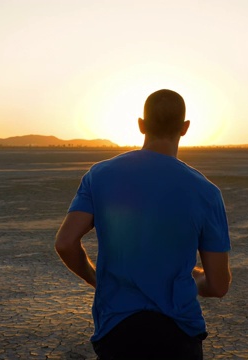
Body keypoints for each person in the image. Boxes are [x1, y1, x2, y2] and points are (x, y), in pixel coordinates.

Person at [55, 89, 231, 359]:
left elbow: (65, 243)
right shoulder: (206, 192)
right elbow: (218, 285)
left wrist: (96, 279)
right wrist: (188, 281)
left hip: (117, 330)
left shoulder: (100, 175)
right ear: (185, 128)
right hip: (179, 334)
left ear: (141, 125)